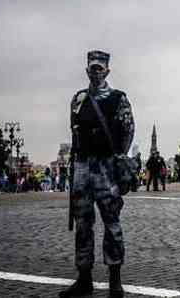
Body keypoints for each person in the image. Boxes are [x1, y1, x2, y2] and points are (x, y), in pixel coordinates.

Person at [60, 50, 134, 298]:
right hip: (82, 167)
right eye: (92, 68)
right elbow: (74, 130)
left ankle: (115, 279)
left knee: (112, 222)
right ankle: (84, 278)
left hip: (106, 167)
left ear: (107, 71)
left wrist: (119, 158)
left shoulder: (118, 98)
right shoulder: (78, 99)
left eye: (100, 68)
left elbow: (127, 130)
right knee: (83, 224)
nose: (95, 72)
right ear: (86, 70)